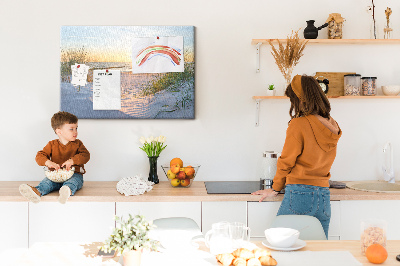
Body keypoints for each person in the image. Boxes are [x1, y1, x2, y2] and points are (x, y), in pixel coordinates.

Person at [252, 75, 342, 238]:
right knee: (318, 251)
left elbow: (286, 161)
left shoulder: (299, 124)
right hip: (323, 196)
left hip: (300, 194)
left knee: (279, 244)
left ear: (300, 99)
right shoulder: (332, 124)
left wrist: (275, 188)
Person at [19, 111, 90, 204]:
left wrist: (72, 161)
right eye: (71, 129)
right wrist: (48, 162)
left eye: (76, 128)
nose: (75, 132)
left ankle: (66, 191)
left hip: (74, 174)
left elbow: (85, 155)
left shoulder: (78, 144)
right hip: (55, 176)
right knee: (46, 183)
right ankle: (36, 192)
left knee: (73, 182)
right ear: (59, 131)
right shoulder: (52, 144)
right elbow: (40, 156)